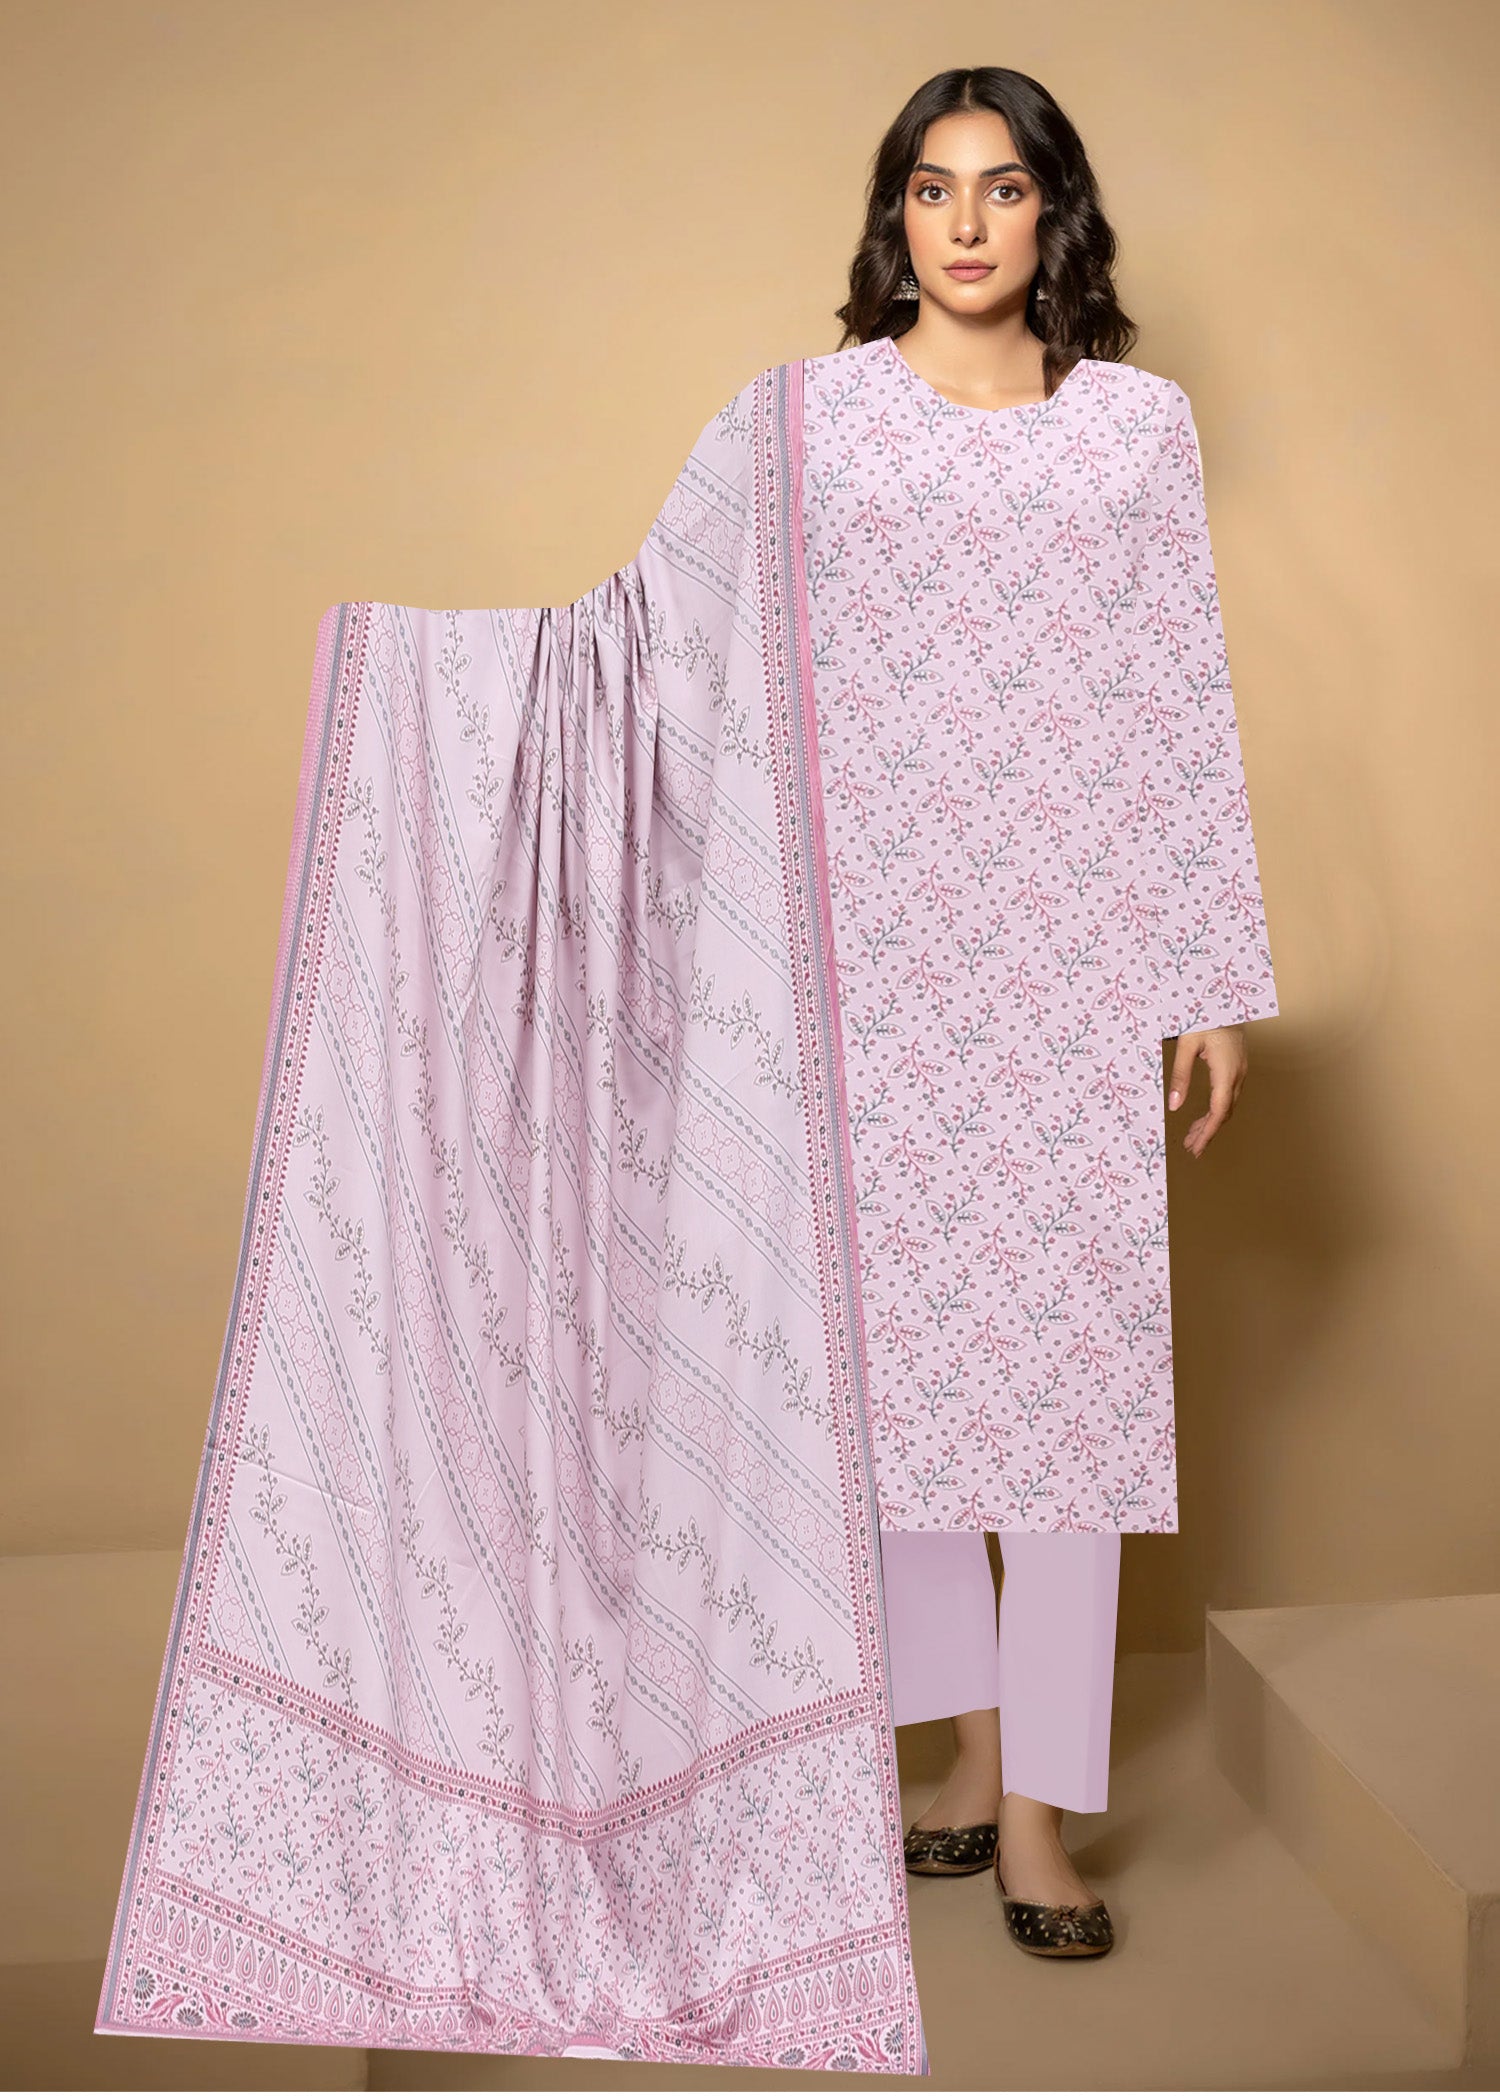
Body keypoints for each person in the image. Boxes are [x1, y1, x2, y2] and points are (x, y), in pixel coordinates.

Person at [801, 67, 1277, 1960]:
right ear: (896, 218)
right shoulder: (817, 419)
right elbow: (716, 661)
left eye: (1003, 189)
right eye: (933, 190)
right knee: (906, 1385)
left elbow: (1181, 698)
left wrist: (1206, 976)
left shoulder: (1136, 430)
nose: (968, 224)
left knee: (1069, 1395)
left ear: (1052, 211)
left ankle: (1039, 1813)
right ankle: (971, 1752)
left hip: (1073, 962)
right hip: (873, 955)